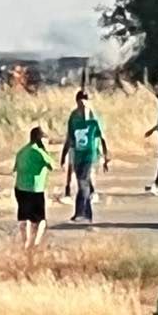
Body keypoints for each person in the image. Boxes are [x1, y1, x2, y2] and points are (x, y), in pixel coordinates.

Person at [60, 89, 108, 223]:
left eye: (85, 102)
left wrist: (106, 157)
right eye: (80, 102)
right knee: (83, 183)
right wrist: (63, 156)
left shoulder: (93, 118)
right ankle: (88, 214)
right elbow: (69, 138)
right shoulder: (73, 117)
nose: (83, 105)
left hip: (89, 154)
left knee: (83, 182)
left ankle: (79, 212)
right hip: (77, 155)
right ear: (77, 102)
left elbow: (102, 137)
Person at [12, 125, 54, 251]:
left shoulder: (21, 151)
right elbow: (52, 166)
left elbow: (15, 168)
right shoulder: (40, 152)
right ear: (40, 139)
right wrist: (45, 150)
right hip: (36, 189)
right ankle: (35, 243)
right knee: (40, 220)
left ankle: (25, 243)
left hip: (20, 188)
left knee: (24, 217)